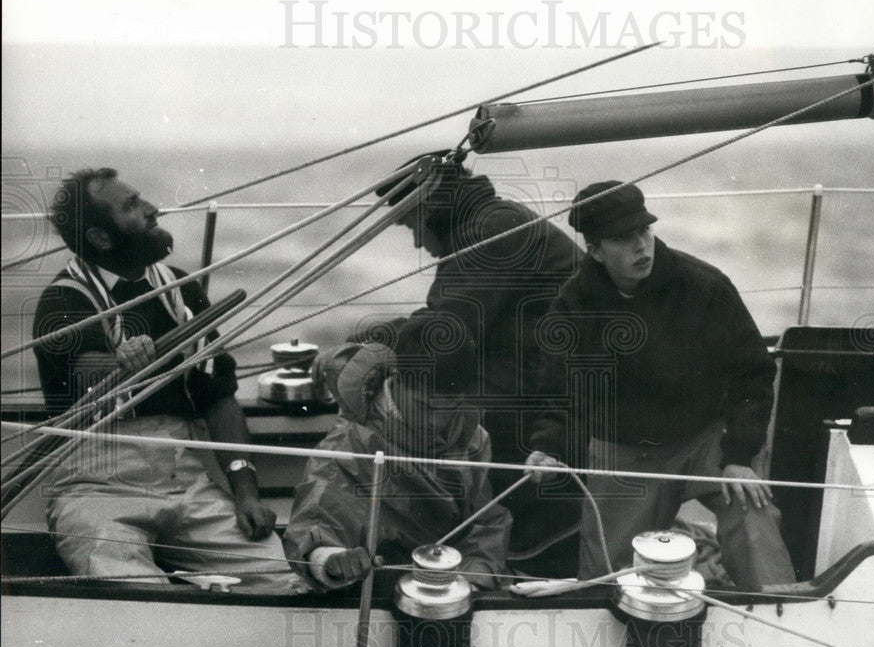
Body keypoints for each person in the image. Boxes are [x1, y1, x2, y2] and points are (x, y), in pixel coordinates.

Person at [32, 167, 305, 592]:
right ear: (102, 238)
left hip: (184, 479)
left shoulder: (182, 290)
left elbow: (218, 397)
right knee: (131, 590)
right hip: (97, 483)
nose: (152, 209)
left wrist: (246, 492)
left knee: (279, 580)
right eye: (132, 206)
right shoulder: (64, 298)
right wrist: (120, 362)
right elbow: (83, 373)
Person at [525, 181, 796, 589]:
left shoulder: (705, 286)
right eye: (622, 238)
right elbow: (561, 390)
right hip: (626, 449)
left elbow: (753, 372)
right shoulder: (574, 303)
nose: (641, 246)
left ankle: (780, 612)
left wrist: (739, 455)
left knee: (750, 508)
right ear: (596, 251)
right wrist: (548, 446)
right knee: (604, 581)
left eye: (644, 231)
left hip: (705, 440)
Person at [369, 150, 582, 573]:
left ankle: (494, 549)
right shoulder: (486, 222)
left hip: (562, 390)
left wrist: (371, 341)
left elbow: (444, 336)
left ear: (430, 207)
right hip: (544, 372)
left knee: (425, 412)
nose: (417, 243)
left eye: (411, 225)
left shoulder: (490, 230)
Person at [282, 315, 511, 590]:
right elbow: (317, 511)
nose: (436, 422)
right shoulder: (350, 440)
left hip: (449, 585)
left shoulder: (473, 437)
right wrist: (328, 560)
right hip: (368, 585)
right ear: (396, 379)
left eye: (449, 406)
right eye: (424, 407)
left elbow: (485, 521)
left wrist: (471, 579)